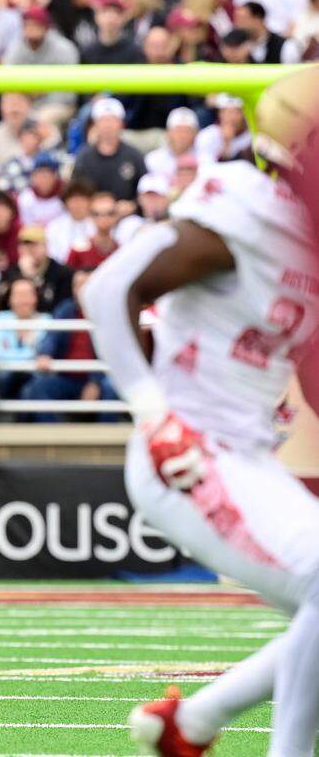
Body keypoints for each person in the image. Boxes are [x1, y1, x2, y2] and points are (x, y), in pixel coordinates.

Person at [82, 66, 319, 757]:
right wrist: (155, 416)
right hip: (188, 451)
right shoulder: (245, 206)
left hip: (248, 452)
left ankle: (190, 723)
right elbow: (108, 289)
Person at [21, 268, 116, 423]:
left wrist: (95, 382)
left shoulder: (107, 312)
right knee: (39, 386)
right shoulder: (66, 309)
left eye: (86, 284)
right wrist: (44, 354)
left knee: (110, 388)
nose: (81, 290)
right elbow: (51, 336)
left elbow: (112, 353)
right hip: (66, 378)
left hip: (97, 377)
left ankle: (105, 442)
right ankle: (51, 441)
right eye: (77, 285)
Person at [72, 97, 147, 207]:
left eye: (112, 120)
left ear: (121, 124)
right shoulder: (84, 157)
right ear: (95, 125)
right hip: (91, 216)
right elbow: (75, 192)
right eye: (103, 120)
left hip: (127, 219)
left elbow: (145, 191)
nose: (108, 125)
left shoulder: (134, 156)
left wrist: (132, 205)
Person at [0, 277, 49, 401]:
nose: (23, 300)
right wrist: (29, 358)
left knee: (31, 389)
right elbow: (0, 353)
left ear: (35, 298)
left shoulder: (46, 320)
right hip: (4, 374)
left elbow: (45, 352)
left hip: (33, 375)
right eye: (18, 295)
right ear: (10, 299)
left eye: (27, 295)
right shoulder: (0, 319)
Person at [66, 191, 118, 269]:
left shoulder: (122, 251)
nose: (104, 218)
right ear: (90, 216)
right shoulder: (78, 250)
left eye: (110, 213)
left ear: (116, 216)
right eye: (97, 214)